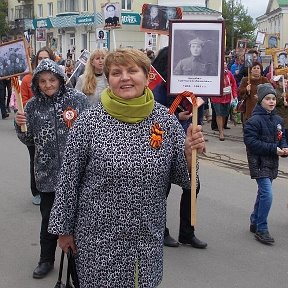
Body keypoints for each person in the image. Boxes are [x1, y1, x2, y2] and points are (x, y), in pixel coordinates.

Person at [48, 48, 206, 287]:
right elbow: (68, 180)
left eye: (133, 71)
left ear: (147, 77)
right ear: (108, 79)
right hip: (98, 239)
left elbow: (184, 179)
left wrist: (189, 154)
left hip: (146, 237)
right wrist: (64, 230)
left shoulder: (164, 120)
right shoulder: (89, 122)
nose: (124, 77)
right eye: (116, 72)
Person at [15, 59, 89, 279]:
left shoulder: (77, 100)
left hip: (77, 174)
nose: (48, 85)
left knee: (77, 221)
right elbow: (28, 138)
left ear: (60, 79)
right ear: (37, 83)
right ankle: (46, 259)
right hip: (46, 173)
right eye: (43, 81)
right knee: (49, 221)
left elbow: (90, 132)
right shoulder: (32, 106)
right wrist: (20, 125)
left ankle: (79, 263)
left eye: (52, 79)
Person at [152, 46, 207, 249]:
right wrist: (176, 116)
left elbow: (198, 109)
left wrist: (198, 132)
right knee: (161, 189)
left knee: (193, 186)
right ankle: (161, 229)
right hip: (163, 142)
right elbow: (154, 113)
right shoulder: (160, 85)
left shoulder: (192, 83)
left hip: (188, 143)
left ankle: (187, 232)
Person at [243, 83, 288, 245]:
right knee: (267, 194)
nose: (271, 102)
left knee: (262, 193)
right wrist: (273, 149)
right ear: (260, 100)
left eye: (273, 99)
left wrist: (284, 146)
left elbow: (281, 136)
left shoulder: (278, 119)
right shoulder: (253, 121)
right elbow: (251, 142)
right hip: (259, 163)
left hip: (272, 162)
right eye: (267, 99)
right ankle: (262, 228)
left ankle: (255, 220)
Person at [21, 46, 56, 205]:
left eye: (46, 58)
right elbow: (23, 100)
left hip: (53, 130)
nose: (43, 61)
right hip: (35, 127)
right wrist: (25, 116)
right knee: (35, 159)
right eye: (40, 59)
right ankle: (37, 190)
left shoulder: (58, 77)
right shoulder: (28, 79)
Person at [211, 61, 238, 141]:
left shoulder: (229, 73)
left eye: (225, 63)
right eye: (223, 63)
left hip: (227, 97)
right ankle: (221, 132)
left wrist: (235, 95)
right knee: (219, 114)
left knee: (224, 114)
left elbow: (234, 83)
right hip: (217, 98)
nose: (224, 65)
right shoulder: (215, 73)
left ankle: (222, 128)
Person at [273, 75, 288, 141]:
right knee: (281, 135)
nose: (286, 84)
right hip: (280, 115)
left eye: (286, 82)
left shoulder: (287, 91)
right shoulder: (275, 92)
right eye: (284, 82)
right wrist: (281, 97)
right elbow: (274, 103)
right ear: (279, 83)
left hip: (286, 116)